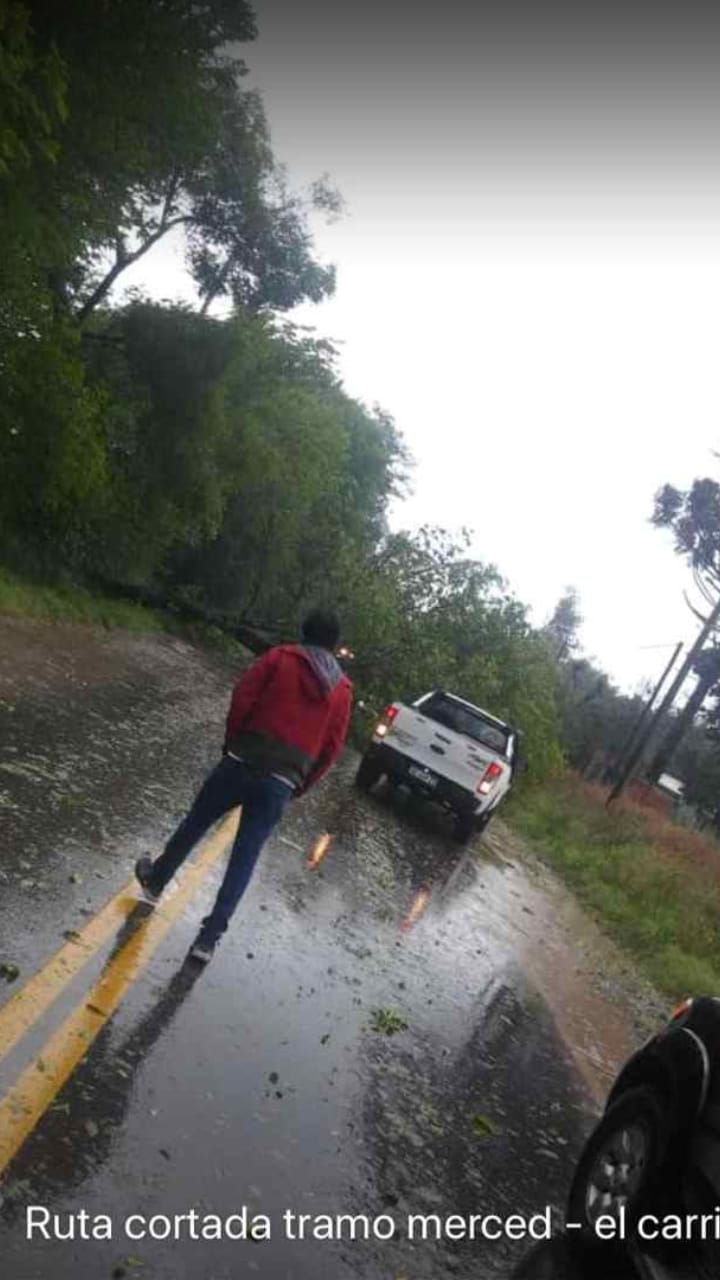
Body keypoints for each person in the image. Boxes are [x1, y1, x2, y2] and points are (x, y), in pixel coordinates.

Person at [135, 608, 353, 963]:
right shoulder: (342, 691)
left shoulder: (280, 658)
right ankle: (208, 940)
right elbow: (331, 750)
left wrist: (233, 743)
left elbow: (242, 697)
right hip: (281, 782)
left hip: (241, 762)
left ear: (305, 632)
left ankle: (156, 881)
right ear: (334, 644)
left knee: (196, 824)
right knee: (245, 858)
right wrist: (300, 784)